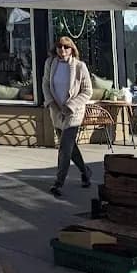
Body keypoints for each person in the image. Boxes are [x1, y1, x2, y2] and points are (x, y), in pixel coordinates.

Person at [42, 37, 92, 197]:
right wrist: (51, 103)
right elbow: (45, 84)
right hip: (56, 111)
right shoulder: (50, 63)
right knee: (70, 148)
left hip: (73, 112)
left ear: (72, 49)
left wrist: (71, 106)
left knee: (64, 147)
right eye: (59, 47)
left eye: (66, 47)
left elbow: (87, 91)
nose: (62, 50)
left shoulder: (79, 66)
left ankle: (59, 183)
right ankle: (85, 171)